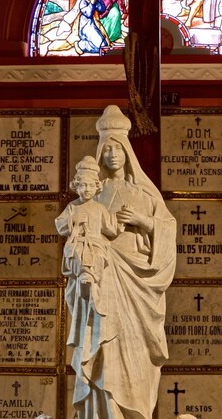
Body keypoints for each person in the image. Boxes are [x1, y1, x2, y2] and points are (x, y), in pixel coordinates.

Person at [63, 105, 177, 419]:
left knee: (136, 354)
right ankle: (102, 412)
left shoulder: (145, 195)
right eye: (107, 148)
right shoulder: (92, 196)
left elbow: (167, 229)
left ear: (127, 152)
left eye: (118, 148)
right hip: (101, 286)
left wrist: (146, 222)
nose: (113, 154)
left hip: (138, 287)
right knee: (102, 349)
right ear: (100, 153)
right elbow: (76, 234)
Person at [56, 156, 121, 317]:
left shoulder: (99, 208)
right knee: (77, 252)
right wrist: (74, 221)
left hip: (96, 243)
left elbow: (110, 229)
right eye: (83, 185)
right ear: (76, 187)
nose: (87, 189)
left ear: (96, 187)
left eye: (91, 185)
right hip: (78, 240)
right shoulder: (73, 206)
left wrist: (120, 222)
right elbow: (60, 224)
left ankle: (94, 288)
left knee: (98, 255)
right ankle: (85, 275)